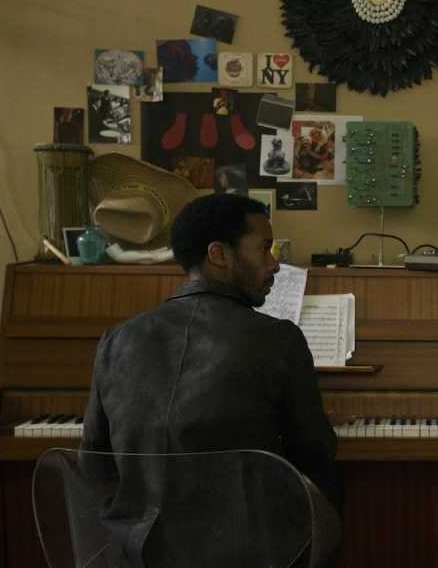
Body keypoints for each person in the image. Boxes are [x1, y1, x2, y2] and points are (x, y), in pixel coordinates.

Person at [80, 193, 342, 565]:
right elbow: (314, 450)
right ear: (219, 254)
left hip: (138, 554)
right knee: (329, 484)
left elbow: (95, 465)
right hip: (244, 553)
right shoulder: (277, 338)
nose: (275, 266)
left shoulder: (115, 339)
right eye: (264, 249)